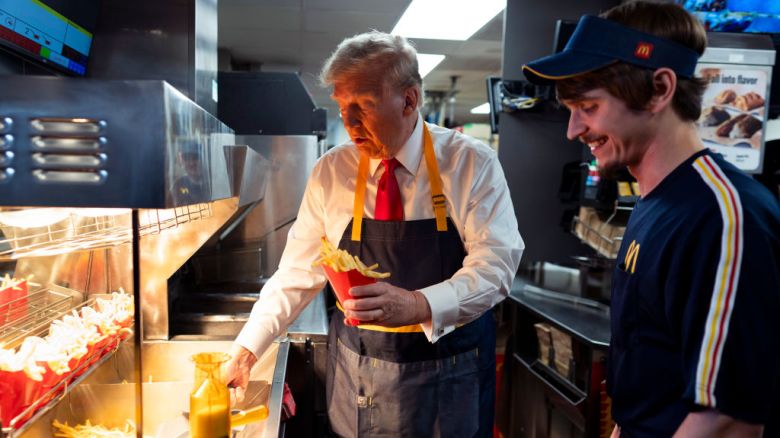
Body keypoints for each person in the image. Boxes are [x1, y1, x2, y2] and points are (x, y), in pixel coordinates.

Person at [225, 30, 524, 437]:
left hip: (450, 374)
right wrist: (246, 349)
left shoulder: (471, 163)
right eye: (342, 105)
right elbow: (297, 273)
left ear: (409, 100)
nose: (348, 123)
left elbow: (496, 268)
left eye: (363, 105)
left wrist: (419, 304)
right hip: (361, 372)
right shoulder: (332, 171)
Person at [523, 1, 780, 437]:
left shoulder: (725, 216)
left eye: (588, 105)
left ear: (660, 89)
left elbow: (728, 419)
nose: (573, 130)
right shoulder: (653, 203)